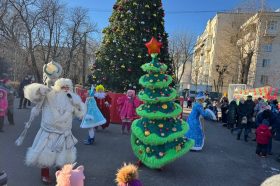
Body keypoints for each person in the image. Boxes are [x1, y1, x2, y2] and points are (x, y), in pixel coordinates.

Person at [22, 78, 86, 183]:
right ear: (57, 87)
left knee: (63, 155)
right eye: (62, 87)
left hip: (64, 133)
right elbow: (33, 95)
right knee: (45, 155)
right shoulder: (49, 95)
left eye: (67, 87)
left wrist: (77, 104)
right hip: (49, 132)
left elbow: (80, 113)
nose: (65, 89)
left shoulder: (72, 98)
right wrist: (40, 89)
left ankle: (61, 173)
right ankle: (45, 173)